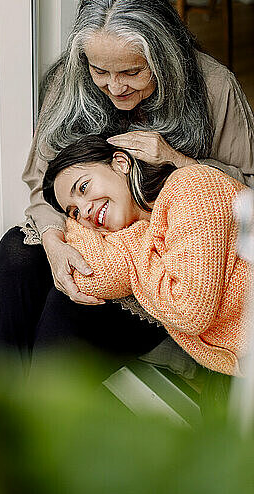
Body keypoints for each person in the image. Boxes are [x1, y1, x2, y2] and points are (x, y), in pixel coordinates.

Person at [0, 0, 254, 378]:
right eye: (99, 71)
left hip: (162, 264)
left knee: (68, 307)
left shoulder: (213, 87)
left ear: (164, 57)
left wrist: (175, 159)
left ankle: (43, 428)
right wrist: (55, 241)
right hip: (89, 241)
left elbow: (245, 194)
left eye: (131, 71)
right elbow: (43, 184)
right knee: (17, 253)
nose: (114, 86)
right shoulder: (69, 81)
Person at [43, 134, 249, 376]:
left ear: (121, 163)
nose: (85, 210)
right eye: (74, 212)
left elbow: (189, 312)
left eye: (84, 187)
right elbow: (96, 277)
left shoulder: (192, 188)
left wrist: (130, 240)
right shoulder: (144, 229)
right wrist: (70, 227)